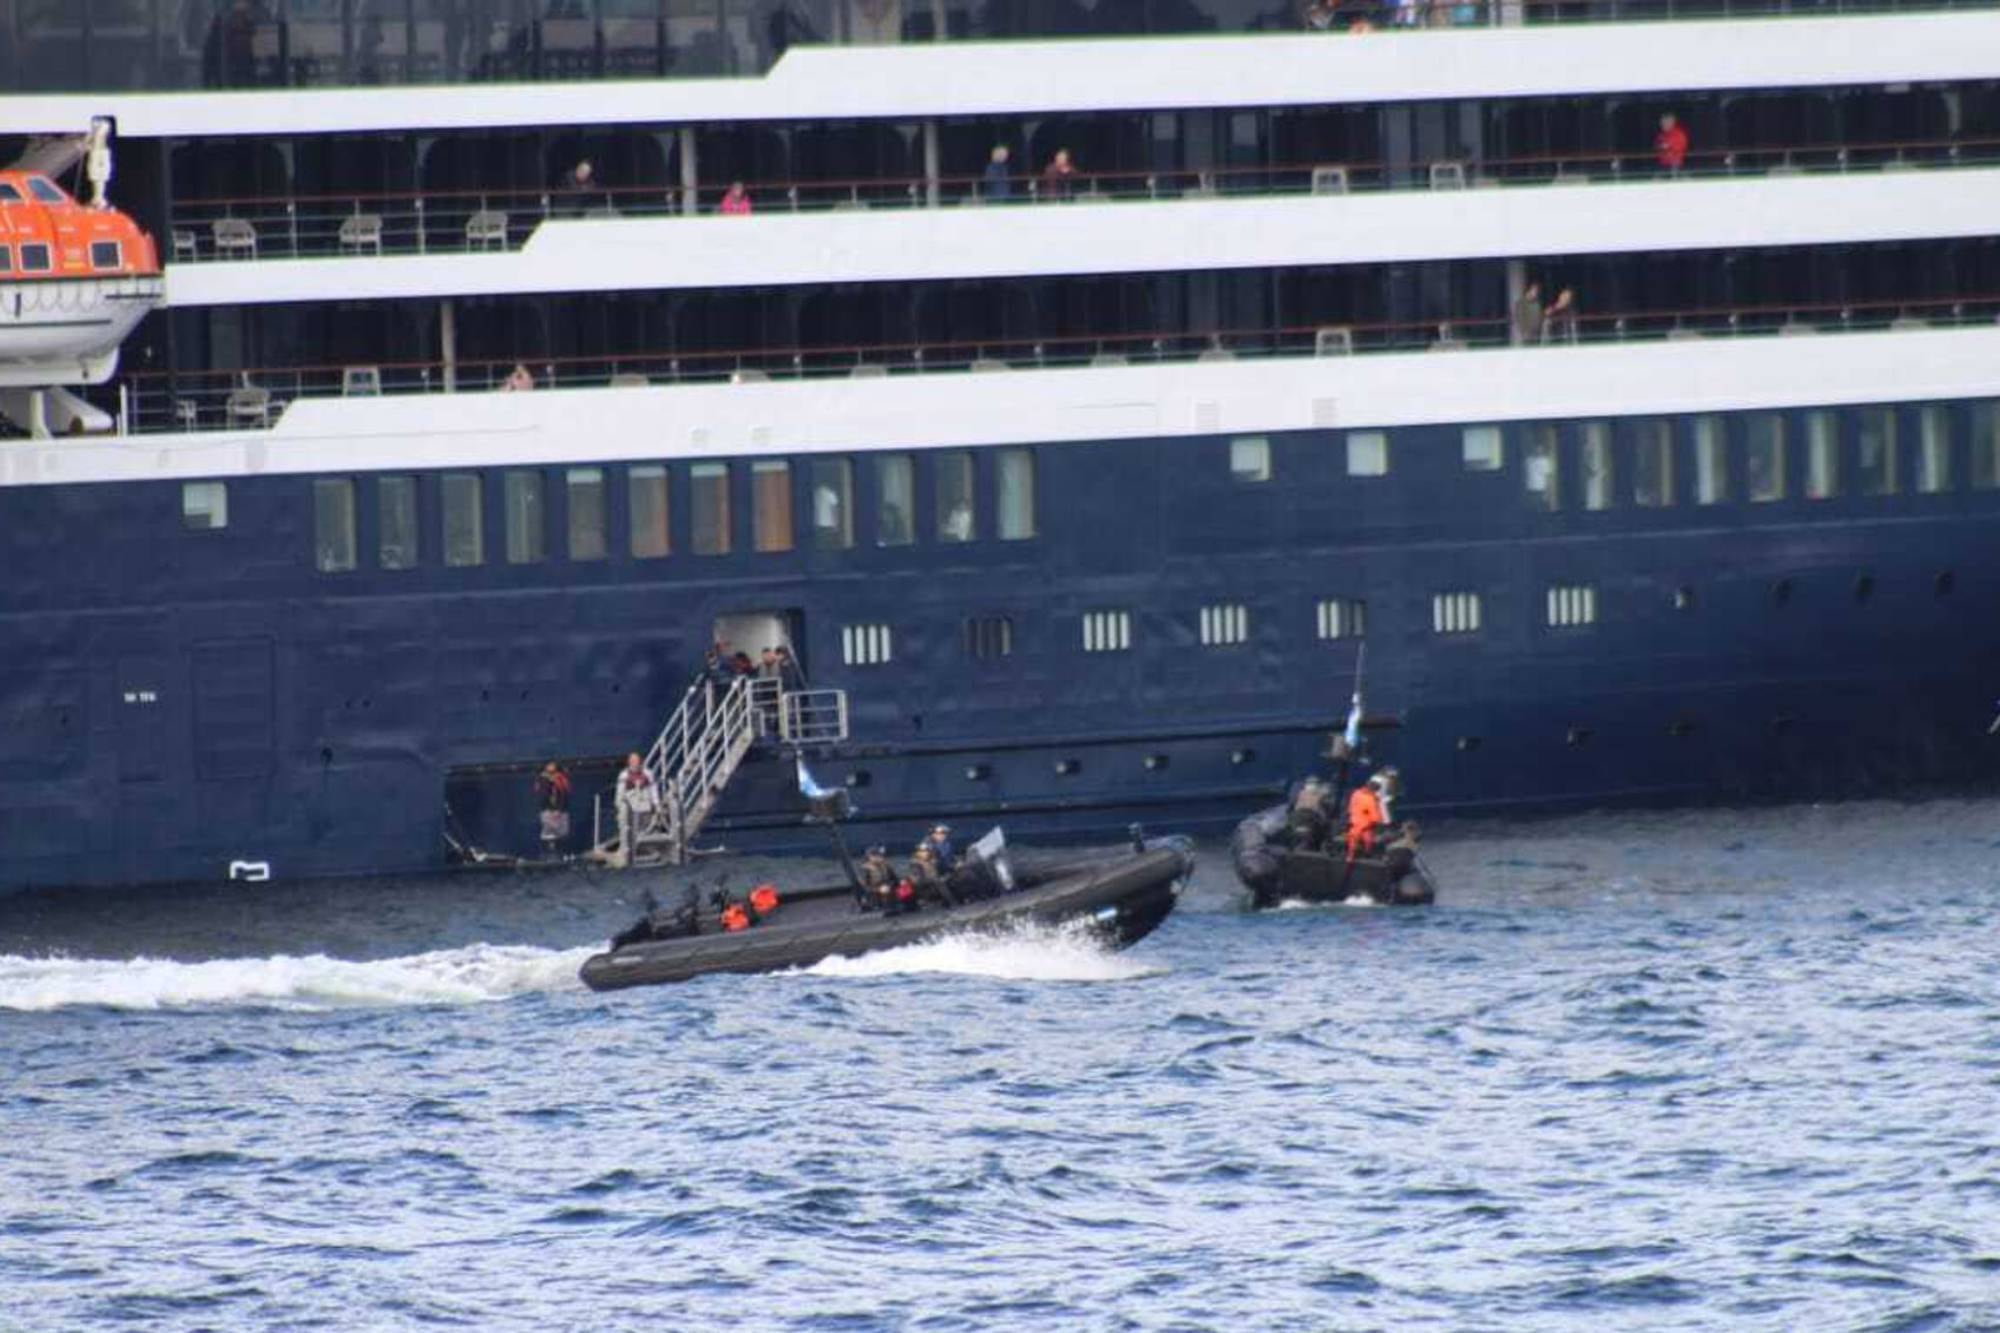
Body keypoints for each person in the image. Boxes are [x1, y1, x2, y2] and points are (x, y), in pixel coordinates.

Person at [614, 751, 657, 864]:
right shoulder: (624, 775)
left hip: (645, 805)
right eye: (632, 761)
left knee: (646, 827)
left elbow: (653, 789)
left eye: (636, 760)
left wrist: (656, 804)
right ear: (629, 762)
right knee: (630, 828)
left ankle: (645, 848)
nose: (635, 763)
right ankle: (628, 850)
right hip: (631, 806)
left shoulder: (648, 773)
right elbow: (620, 792)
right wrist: (619, 806)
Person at [1345, 773, 1390, 861]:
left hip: (1355, 823)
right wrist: (1380, 822)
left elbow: (1351, 808)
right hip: (1364, 825)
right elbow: (1375, 816)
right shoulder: (1370, 799)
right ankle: (1363, 855)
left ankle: (1351, 857)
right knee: (1366, 841)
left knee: (1355, 843)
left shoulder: (1356, 793)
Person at [534, 761, 571, 859]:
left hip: (560, 812)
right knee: (548, 834)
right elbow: (541, 795)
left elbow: (564, 794)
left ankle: (561, 854)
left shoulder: (562, 779)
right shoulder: (542, 780)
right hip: (547, 811)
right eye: (549, 766)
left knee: (561, 834)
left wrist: (559, 809)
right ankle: (547, 854)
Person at [1287, 777, 1332, 853]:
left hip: (1298, 822)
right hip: (1309, 822)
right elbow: (1324, 812)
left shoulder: (1300, 793)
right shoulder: (1321, 795)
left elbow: (1291, 808)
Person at [858, 845, 898, 911]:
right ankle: (886, 908)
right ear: (869, 857)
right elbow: (865, 886)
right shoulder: (865, 869)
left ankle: (904, 904)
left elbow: (894, 878)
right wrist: (878, 889)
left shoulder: (886, 866)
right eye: (875, 856)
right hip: (874, 891)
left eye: (879, 856)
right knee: (885, 891)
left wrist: (895, 884)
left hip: (887, 886)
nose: (878, 858)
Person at [1511, 281, 1544, 347]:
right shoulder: (1520, 303)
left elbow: (1540, 316)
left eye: (1537, 291)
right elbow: (1519, 319)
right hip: (1526, 335)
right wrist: (1524, 331)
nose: (1536, 293)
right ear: (1528, 291)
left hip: (1537, 334)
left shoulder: (1537, 303)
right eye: (1534, 290)